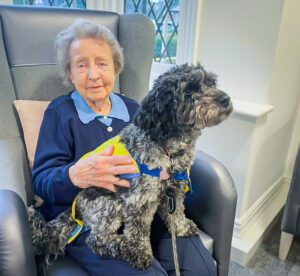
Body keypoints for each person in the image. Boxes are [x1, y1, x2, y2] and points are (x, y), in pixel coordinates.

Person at [32, 18, 217, 276]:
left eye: (102, 63)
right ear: (70, 74)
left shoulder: (135, 109)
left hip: (147, 207)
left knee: (202, 268)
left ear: (115, 68)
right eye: (81, 65)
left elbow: (165, 158)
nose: (93, 75)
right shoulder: (60, 114)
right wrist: (75, 175)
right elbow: (41, 180)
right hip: (88, 221)